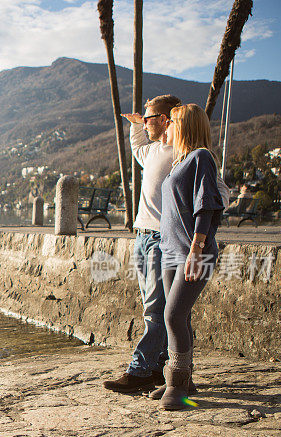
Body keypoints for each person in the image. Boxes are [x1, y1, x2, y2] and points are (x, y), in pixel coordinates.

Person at [102, 94, 181, 394]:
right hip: (142, 237)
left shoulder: (181, 152)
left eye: (148, 118)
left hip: (163, 238)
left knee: (155, 307)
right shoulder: (154, 151)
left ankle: (139, 370)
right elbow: (137, 149)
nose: (145, 123)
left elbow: (215, 191)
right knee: (154, 305)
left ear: (164, 120)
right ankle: (161, 368)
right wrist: (136, 126)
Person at [156, 103, 225, 410]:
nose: (164, 128)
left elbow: (207, 207)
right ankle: (184, 381)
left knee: (173, 316)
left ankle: (177, 385)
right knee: (179, 317)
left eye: (168, 123)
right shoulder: (179, 162)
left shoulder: (201, 158)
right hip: (171, 253)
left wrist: (196, 252)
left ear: (182, 126)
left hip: (194, 253)